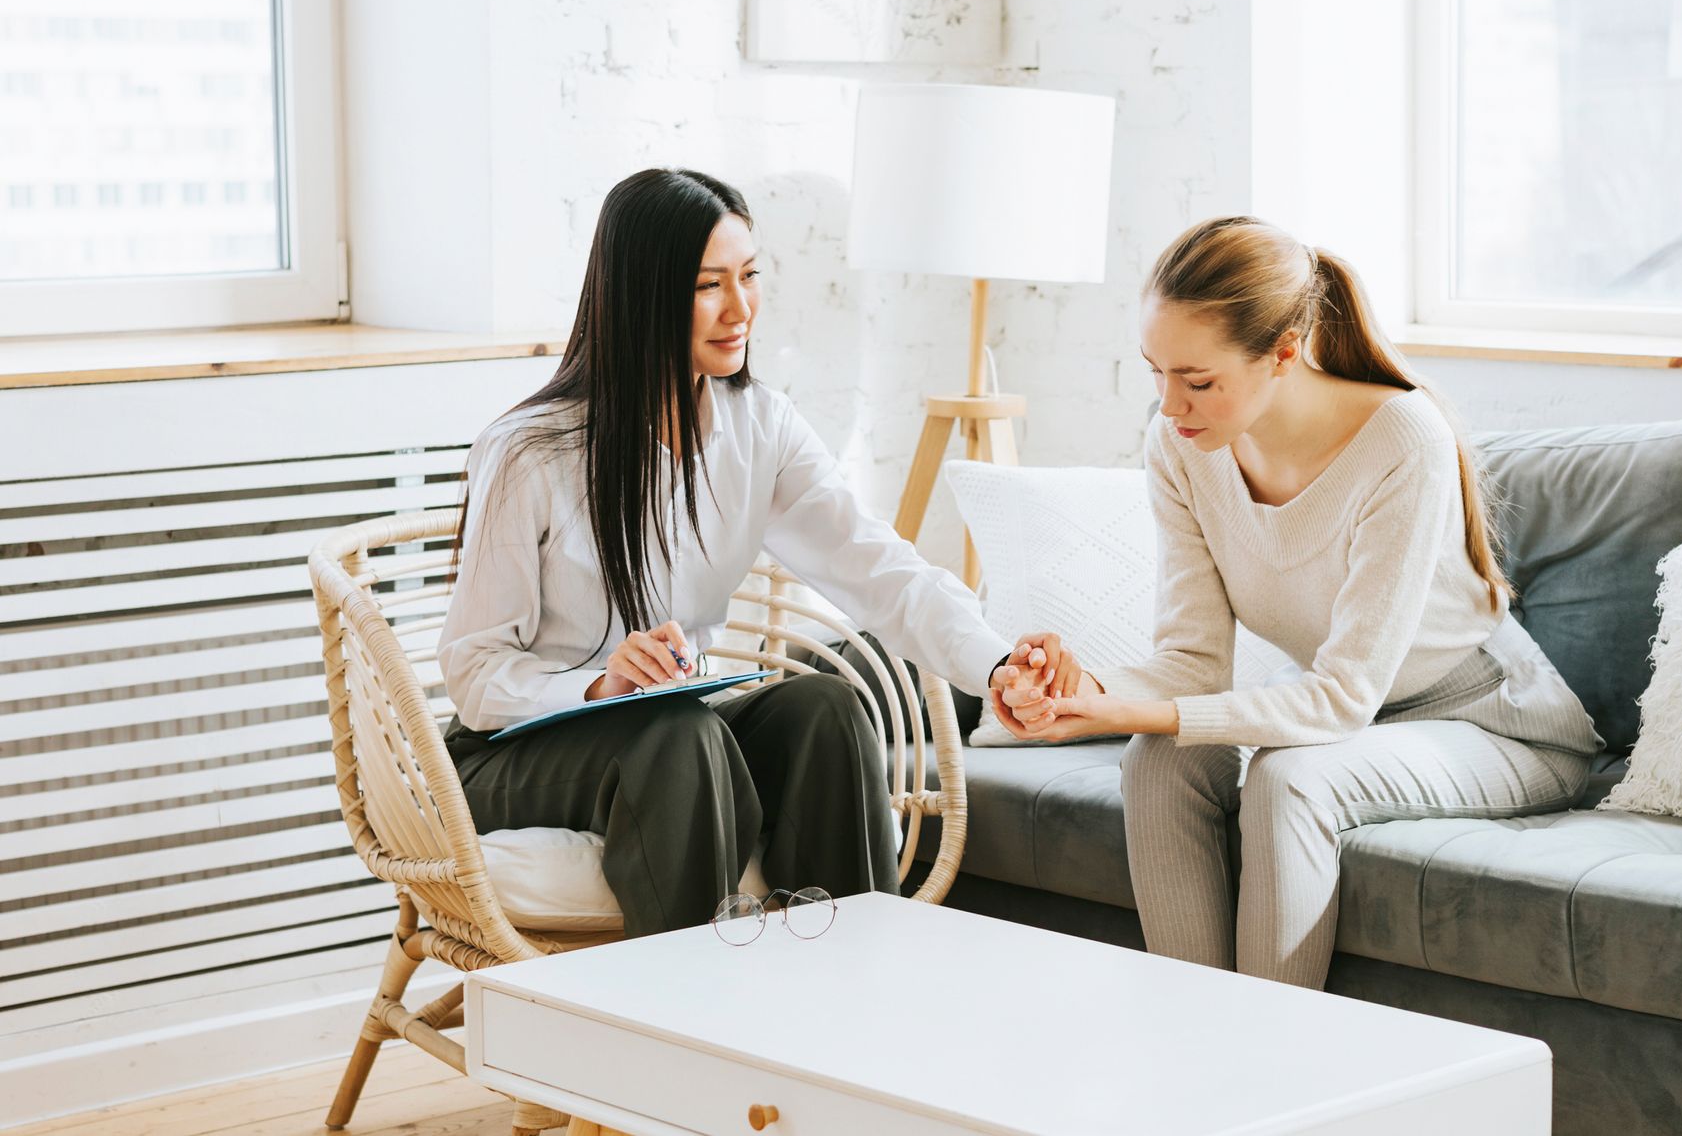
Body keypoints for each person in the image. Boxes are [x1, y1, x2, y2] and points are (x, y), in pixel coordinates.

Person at [989, 216, 1602, 988]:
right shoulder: (1179, 445)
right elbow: (1192, 662)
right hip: (1345, 719)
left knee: (1291, 778)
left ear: (1284, 350)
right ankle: (1199, 1058)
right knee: (1156, 764)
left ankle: (1276, 1072)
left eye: (1200, 381)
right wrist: (1078, 692)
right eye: (1156, 372)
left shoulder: (1401, 440)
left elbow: (1343, 695)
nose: (1171, 405)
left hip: (1489, 722)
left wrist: (1126, 711)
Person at [438, 167, 1045, 938]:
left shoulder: (760, 426)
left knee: (825, 708)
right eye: (708, 285)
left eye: (750, 276)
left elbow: (881, 572)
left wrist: (997, 667)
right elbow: (474, 673)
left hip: (672, 740)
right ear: (643, 293)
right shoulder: (530, 452)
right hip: (516, 752)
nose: (741, 308)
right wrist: (601, 685)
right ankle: (697, 1033)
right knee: (677, 733)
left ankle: (859, 1000)